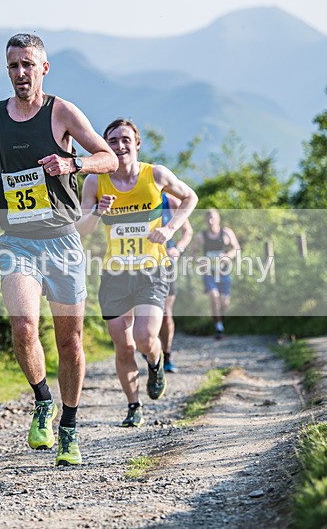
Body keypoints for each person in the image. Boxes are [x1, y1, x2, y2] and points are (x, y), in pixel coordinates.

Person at [0, 33, 117, 466]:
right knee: (23, 328)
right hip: (16, 240)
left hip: (61, 240)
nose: (21, 73)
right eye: (13, 66)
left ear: (44, 68)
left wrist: (72, 163)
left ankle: (69, 429)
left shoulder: (63, 112)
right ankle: (42, 400)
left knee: (70, 342)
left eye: (28, 65)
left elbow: (107, 157)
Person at [76, 118, 197, 427]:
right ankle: (133, 405)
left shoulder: (154, 174)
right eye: (113, 140)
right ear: (106, 146)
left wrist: (170, 229)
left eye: (125, 139)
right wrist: (97, 212)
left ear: (137, 144)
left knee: (144, 338)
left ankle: (155, 361)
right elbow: (82, 230)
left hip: (152, 271)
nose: (120, 145)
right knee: (124, 345)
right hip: (115, 275)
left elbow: (190, 197)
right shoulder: (95, 182)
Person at [190, 209, 240, 339]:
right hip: (209, 272)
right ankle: (218, 327)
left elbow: (236, 248)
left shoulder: (226, 233)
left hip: (223, 271)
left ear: (219, 219)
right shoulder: (201, 236)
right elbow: (192, 254)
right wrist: (200, 261)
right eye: (208, 219)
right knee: (214, 296)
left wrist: (228, 255)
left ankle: (219, 319)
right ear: (206, 221)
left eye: (213, 218)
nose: (211, 221)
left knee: (224, 302)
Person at [158, 193, 193, 373]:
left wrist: (177, 248)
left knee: (165, 313)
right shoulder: (133, 196)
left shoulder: (170, 201)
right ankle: (147, 346)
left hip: (165, 263)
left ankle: (167, 355)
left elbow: (188, 231)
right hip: (137, 264)